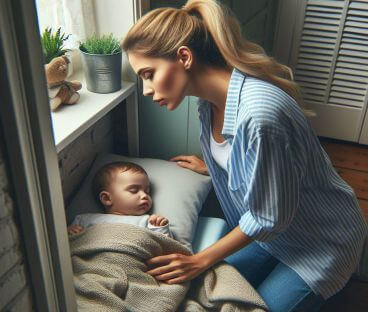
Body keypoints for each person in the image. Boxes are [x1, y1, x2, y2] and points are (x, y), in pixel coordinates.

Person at [121, 0, 368, 311]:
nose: (145, 89)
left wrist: (199, 259)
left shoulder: (260, 115)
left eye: (148, 74)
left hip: (322, 241)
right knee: (205, 291)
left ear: (183, 57)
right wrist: (217, 166)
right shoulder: (207, 104)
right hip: (274, 236)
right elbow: (258, 168)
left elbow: (268, 217)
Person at [67, 161, 173, 238]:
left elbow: (165, 249)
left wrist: (160, 228)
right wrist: (69, 233)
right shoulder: (84, 220)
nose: (144, 196)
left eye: (147, 191)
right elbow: (63, 247)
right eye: (134, 190)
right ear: (107, 198)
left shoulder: (148, 221)